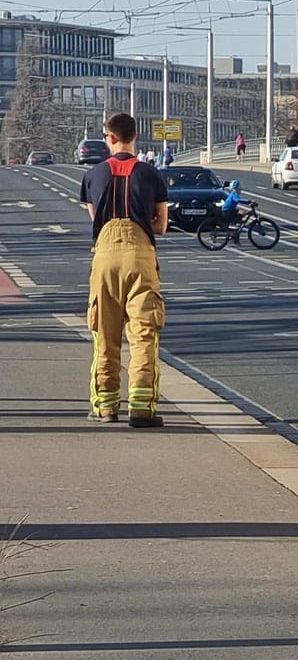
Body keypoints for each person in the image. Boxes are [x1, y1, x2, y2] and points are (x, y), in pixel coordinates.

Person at [78, 112, 169, 428]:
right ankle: (142, 407)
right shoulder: (151, 174)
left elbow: (95, 218)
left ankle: (105, 406)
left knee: (105, 332)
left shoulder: (93, 175)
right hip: (140, 254)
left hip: (105, 254)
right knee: (144, 332)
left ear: (109, 137)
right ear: (135, 136)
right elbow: (162, 226)